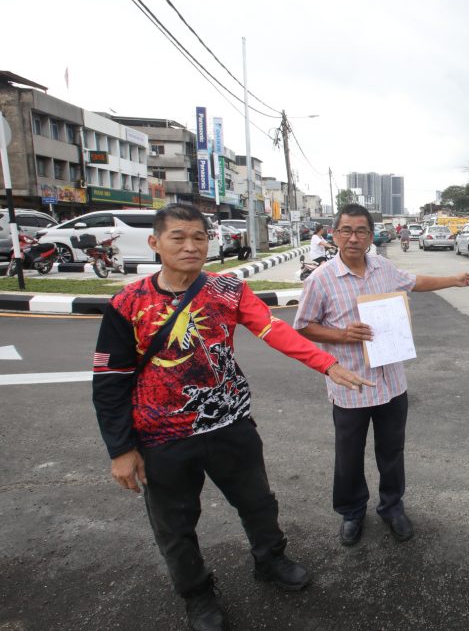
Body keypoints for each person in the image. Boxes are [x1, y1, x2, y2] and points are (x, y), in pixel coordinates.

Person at [91, 203, 371, 631]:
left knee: (258, 502)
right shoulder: (128, 303)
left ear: (210, 242)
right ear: (155, 243)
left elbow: (273, 330)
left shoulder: (228, 289)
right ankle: (198, 596)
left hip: (230, 423)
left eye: (199, 238)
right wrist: (121, 449)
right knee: (176, 524)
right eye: (178, 238)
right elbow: (110, 381)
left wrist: (326, 364)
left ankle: (270, 560)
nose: (190, 246)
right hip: (162, 436)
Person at [294, 204, 469, 548]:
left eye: (361, 230)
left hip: (392, 384)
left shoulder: (383, 268)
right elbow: (304, 327)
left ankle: (392, 506)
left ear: (370, 235)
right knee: (349, 455)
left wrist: (453, 279)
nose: (353, 237)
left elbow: (416, 282)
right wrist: (342, 334)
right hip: (350, 386)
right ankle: (352, 511)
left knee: (391, 451)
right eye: (346, 230)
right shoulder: (321, 279)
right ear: (334, 235)